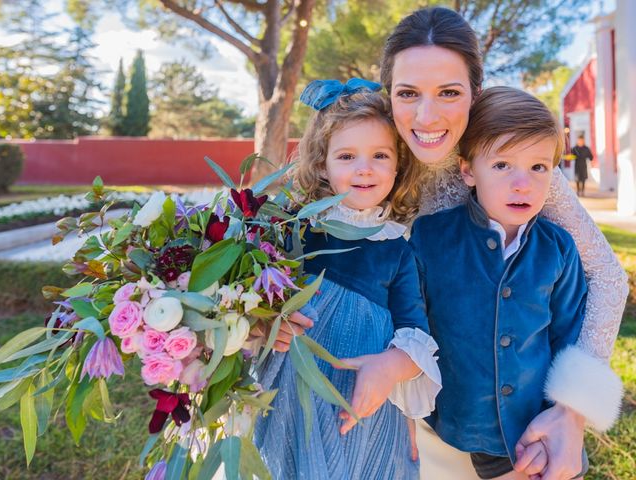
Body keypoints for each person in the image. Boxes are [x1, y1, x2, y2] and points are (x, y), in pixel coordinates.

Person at [280, 7, 627, 479]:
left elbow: (606, 276)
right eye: (408, 93)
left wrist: (571, 411)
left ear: (475, 94)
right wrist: (272, 316)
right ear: (388, 95)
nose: (427, 116)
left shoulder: (503, 157)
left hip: (499, 418)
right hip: (385, 398)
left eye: (449, 92)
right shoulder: (364, 154)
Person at [409, 86, 608, 479]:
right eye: (502, 165)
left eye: (538, 167)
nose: (523, 183)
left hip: (538, 428)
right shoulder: (430, 238)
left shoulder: (558, 248)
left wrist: (562, 417)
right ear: (468, 170)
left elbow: (568, 338)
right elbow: (410, 322)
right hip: (461, 424)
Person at [254, 79, 443, 479]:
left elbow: (415, 332)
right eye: (346, 155)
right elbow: (252, 301)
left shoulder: (396, 246)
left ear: (398, 165)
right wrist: (265, 323)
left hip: (362, 402)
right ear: (323, 164)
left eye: (379, 155)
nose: (364, 168)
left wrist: (390, 367)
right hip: (291, 393)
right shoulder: (293, 231)